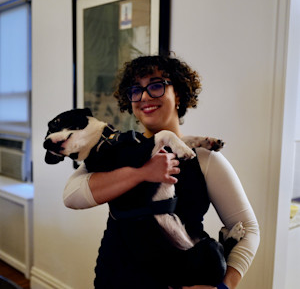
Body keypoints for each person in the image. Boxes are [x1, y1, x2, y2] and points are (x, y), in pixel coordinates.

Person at [64, 54, 260, 289]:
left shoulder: (205, 159)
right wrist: (141, 173)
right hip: (115, 278)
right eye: (136, 90)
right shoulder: (118, 150)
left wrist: (223, 287)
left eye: (156, 86)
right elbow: (71, 195)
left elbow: (248, 229)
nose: (144, 96)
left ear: (178, 94)